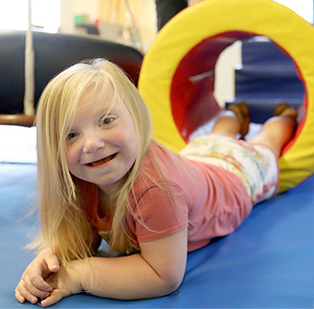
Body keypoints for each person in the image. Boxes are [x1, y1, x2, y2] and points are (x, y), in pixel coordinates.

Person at [15, 59, 297, 307]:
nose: (93, 143)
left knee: (264, 143)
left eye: (107, 121)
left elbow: (163, 276)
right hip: (197, 159)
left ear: (137, 117)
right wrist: (52, 257)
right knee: (215, 139)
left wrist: (78, 275)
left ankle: (283, 118)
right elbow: (84, 238)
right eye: (71, 135)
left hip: (237, 174)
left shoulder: (157, 189)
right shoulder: (84, 176)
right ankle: (234, 115)